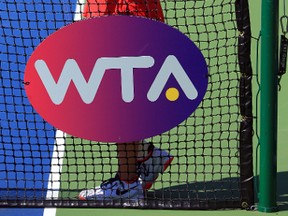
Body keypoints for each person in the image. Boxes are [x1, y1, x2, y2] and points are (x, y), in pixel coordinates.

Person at [78, 0, 173, 201]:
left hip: (125, 16)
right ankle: (144, 156)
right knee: (118, 97)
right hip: (114, 12)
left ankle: (128, 183)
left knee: (121, 102)